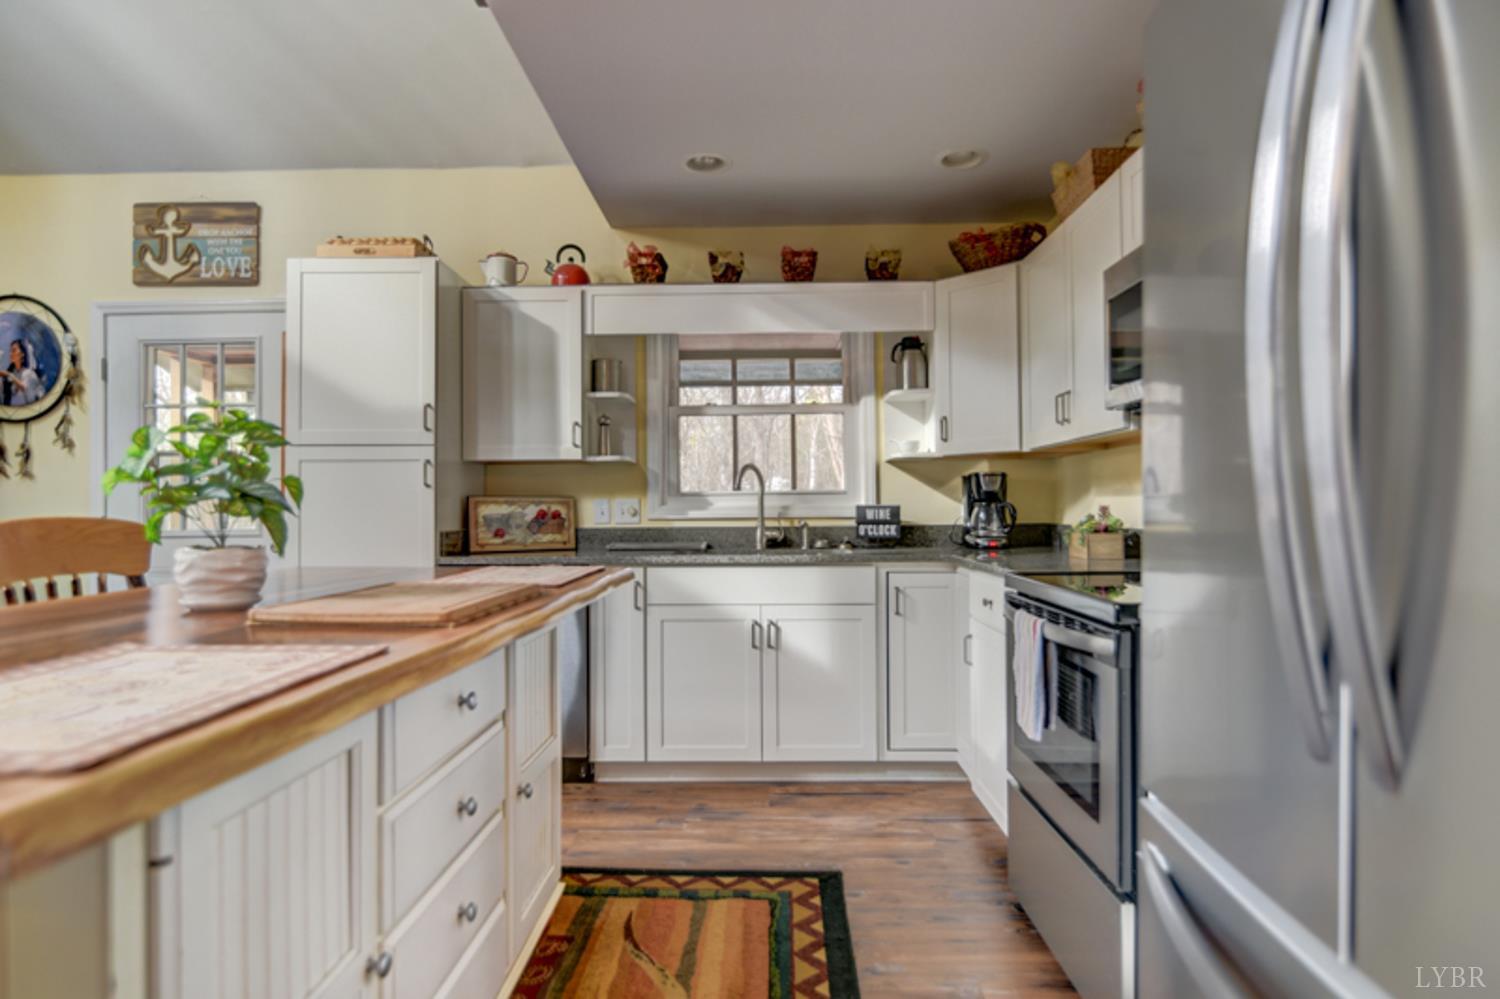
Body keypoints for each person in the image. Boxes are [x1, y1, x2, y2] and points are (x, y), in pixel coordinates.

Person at [2, 339, 43, 406]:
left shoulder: (30, 374)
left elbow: (25, 388)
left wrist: (8, 374)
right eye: (10, 351)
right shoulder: (14, 373)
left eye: (14, 350)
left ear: (22, 354)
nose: (10, 353)